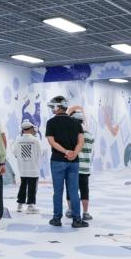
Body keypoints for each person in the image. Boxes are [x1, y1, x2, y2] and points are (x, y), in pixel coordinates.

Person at [45, 95, 86, 228]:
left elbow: (52, 142)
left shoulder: (51, 123)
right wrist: (74, 153)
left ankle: (56, 219)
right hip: (74, 162)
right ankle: (77, 219)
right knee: (74, 192)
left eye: (53, 106)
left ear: (58, 107)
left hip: (57, 160)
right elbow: (81, 142)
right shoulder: (76, 123)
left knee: (58, 191)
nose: (52, 109)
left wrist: (65, 152)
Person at [66, 108, 94, 221]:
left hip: (72, 167)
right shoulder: (89, 135)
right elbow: (90, 149)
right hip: (85, 168)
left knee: (70, 190)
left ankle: (70, 210)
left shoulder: (71, 135)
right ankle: (85, 212)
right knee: (84, 190)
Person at [12, 120, 42, 214]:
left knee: (23, 186)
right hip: (33, 168)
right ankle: (30, 206)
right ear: (31, 129)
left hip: (23, 168)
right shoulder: (35, 140)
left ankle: (19, 205)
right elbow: (40, 153)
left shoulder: (18, 140)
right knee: (32, 187)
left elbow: (15, 153)